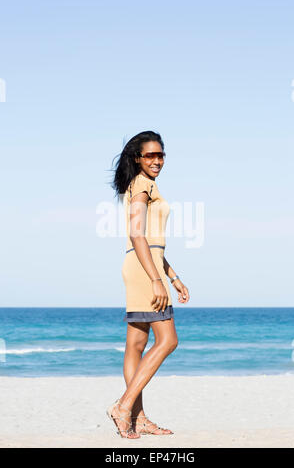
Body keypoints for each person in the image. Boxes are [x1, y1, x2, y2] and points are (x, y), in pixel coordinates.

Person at [107, 130, 190, 438]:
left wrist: (173, 276)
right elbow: (137, 234)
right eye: (150, 155)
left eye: (161, 155)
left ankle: (138, 418)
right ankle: (124, 406)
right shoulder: (142, 185)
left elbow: (153, 244)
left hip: (143, 265)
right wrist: (156, 279)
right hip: (145, 272)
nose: (157, 160)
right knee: (168, 340)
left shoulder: (142, 185)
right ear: (137, 158)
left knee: (137, 344)